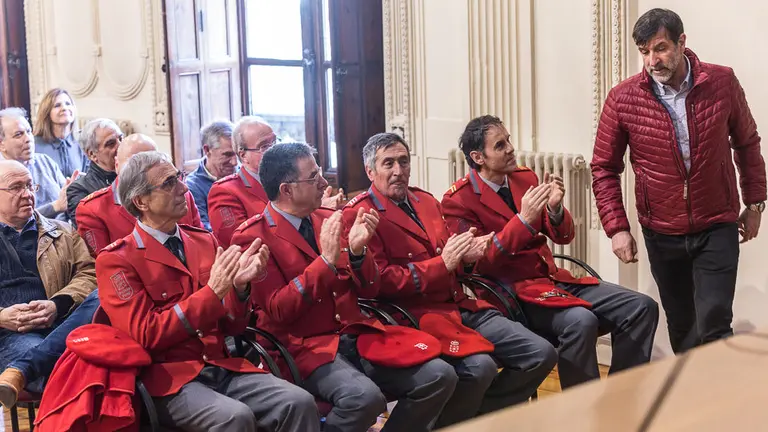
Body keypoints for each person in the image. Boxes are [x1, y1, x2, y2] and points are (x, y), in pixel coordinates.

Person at [231, 143, 458, 432]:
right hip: (302, 347)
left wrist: (359, 254)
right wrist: (324, 262)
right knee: (364, 398)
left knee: (439, 376)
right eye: (313, 177)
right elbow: (279, 311)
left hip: (353, 333)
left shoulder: (327, 219)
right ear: (287, 190)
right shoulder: (253, 236)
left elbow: (371, 289)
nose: (324, 183)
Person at [343, 132, 558, 428]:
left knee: (540, 353)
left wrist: (466, 259)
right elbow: (378, 284)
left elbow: (452, 263)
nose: (398, 171)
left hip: (459, 305)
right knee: (479, 368)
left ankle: (476, 420)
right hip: (412, 316)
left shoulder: (427, 201)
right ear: (370, 171)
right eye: (388, 163)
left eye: (403, 162)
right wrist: (441, 264)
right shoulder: (360, 214)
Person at [96, 151, 319, 431]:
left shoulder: (203, 241)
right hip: (169, 379)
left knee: (298, 401)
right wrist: (212, 292)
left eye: (179, 177)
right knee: (234, 417)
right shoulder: (117, 259)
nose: (184, 188)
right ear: (141, 201)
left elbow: (234, 326)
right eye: (169, 183)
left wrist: (239, 289)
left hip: (221, 365)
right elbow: (145, 335)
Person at [591, 8, 766, 353]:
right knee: (683, 327)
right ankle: (692, 403)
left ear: (682, 42)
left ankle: (717, 404)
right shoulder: (623, 99)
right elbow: (604, 168)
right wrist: (617, 228)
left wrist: (756, 202)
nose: (652, 61)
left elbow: (747, 142)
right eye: (644, 52)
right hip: (662, 232)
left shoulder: (721, 82)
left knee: (715, 323)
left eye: (660, 48)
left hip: (717, 223)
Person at [442, 115, 659, 389]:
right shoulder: (457, 200)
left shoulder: (524, 177)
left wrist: (555, 209)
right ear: (478, 157)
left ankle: (622, 398)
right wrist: (522, 221)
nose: (510, 148)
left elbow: (564, 236)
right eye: (499, 145)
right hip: (512, 296)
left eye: (508, 140)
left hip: (552, 280)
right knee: (581, 320)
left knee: (641, 307)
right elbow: (480, 263)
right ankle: (581, 412)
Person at [0, 160, 98, 408]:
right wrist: (1, 317)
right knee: (67, 366)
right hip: (11, 333)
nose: (28, 194)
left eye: (30, 185)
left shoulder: (63, 232)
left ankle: (21, 370)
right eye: (16, 187)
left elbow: (90, 274)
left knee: (101, 295)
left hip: (62, 323)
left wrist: (57, 304)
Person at [208, 116, 344, 246]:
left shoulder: (291, 177)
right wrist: (318, 208)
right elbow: (242, 243)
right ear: (243, 156)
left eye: (275, 141)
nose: (274, 148)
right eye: (264, 146)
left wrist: (319, 210)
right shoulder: (225, 191)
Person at [76, 133, 202, 257]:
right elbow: (98, 266)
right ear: (117, 165)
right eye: (135, 162)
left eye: (154, 160)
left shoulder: (181, 195)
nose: (144, 170)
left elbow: (202, 244)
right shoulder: (93, 210)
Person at [0, 107, 76, 221]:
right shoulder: (2, 174)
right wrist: (54, 207)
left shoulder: (45, 161)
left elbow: (66, 199)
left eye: (29, 132)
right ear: (2, 144)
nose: (28, 139)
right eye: (18, 134)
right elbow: (14, 221)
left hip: (63, 232)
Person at [66, 118, 123, 226]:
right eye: (111, 144)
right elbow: (93, 232)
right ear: (92, 154)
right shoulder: (79, 190)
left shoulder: (134, 174)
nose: (120, 146)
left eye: (121, 138)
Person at [185, 120, 238, 231]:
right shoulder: (193, 186)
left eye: (237, 154)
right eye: (227, 155)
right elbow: (203, 228)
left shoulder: (243, 174)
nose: (235, 162)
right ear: (207, 150)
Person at [33, 88, 89, 177]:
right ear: (47, 112)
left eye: (68, 104)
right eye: (57, 105)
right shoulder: (34, 145)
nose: (64, 108)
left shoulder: (83, 142)